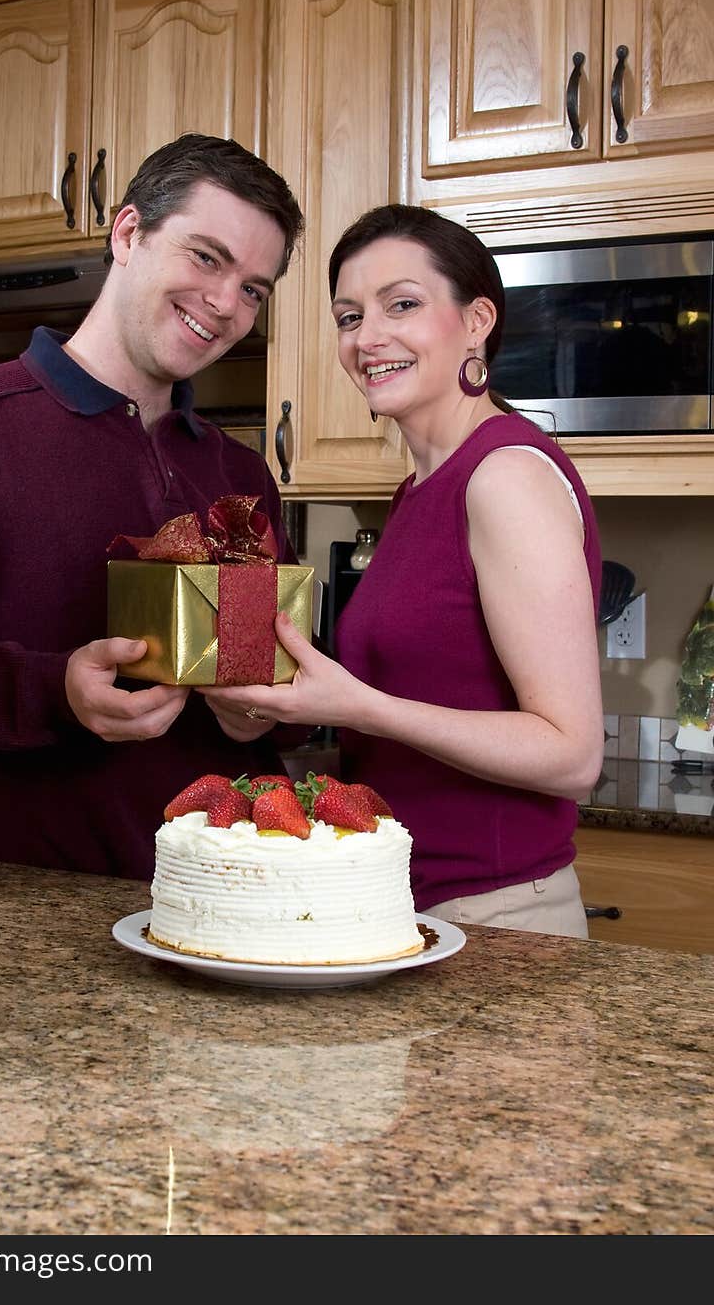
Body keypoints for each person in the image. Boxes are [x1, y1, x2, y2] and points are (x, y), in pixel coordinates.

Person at [0, 134, 304, 877]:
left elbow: (272, 680)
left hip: (239, 901)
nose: (224, 303)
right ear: (127, 233)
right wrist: (55, 692)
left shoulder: (238, 469)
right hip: (46, 917)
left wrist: (259, 712)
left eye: (253, 288)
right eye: (206, 257)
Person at [200, 204, 604, 938]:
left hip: (501, 916)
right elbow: (406, 722)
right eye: (349, 317)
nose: (368, 338)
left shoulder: (504, 474)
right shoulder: (419, 491)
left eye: (403, 305)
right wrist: (265, 706)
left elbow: (572, 755)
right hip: (405, 906)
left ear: (477, 319)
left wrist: (357, 704)